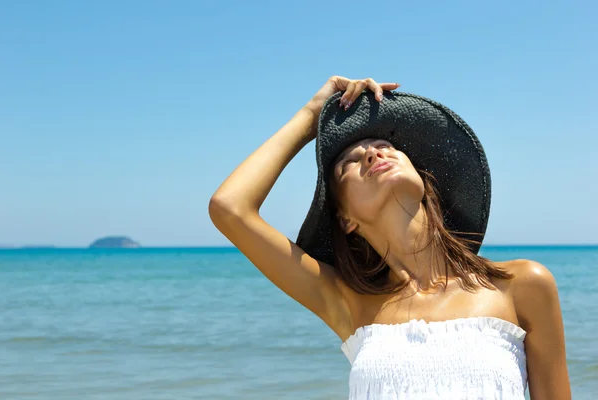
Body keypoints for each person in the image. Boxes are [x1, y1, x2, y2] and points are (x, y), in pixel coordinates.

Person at [209, 76, 571, 399]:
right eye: (347, 163)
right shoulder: (346, 301)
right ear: (345, 219)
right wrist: (311, 118)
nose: (372, 152)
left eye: (384, 144)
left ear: (426, 185)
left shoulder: (522, 285)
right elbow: (230, 208)